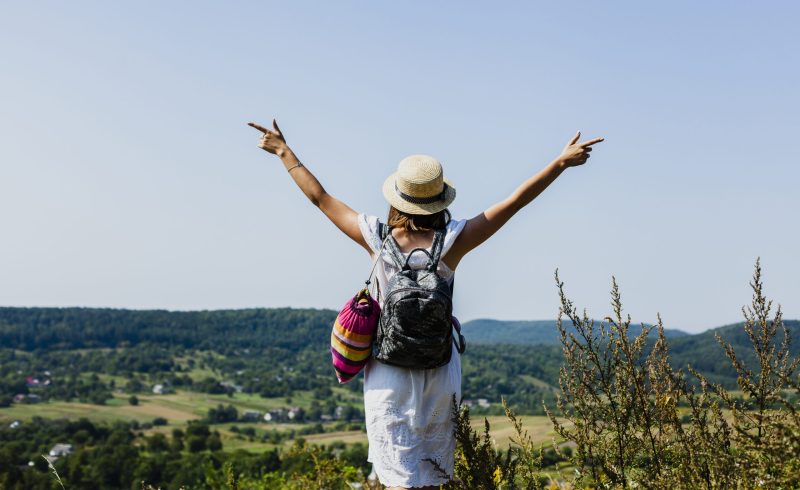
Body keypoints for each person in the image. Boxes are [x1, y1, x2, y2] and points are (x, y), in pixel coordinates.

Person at [248, 119, 603, 490]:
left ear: (397, 197)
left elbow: (320, 198)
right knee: (431, 475)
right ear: (439, 199)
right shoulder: (453, 240)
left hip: (389, 372)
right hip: (438, 371)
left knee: (397, 476)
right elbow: (514, 202)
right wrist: (559, 164)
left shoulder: (376, 237)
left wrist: (285, 152)